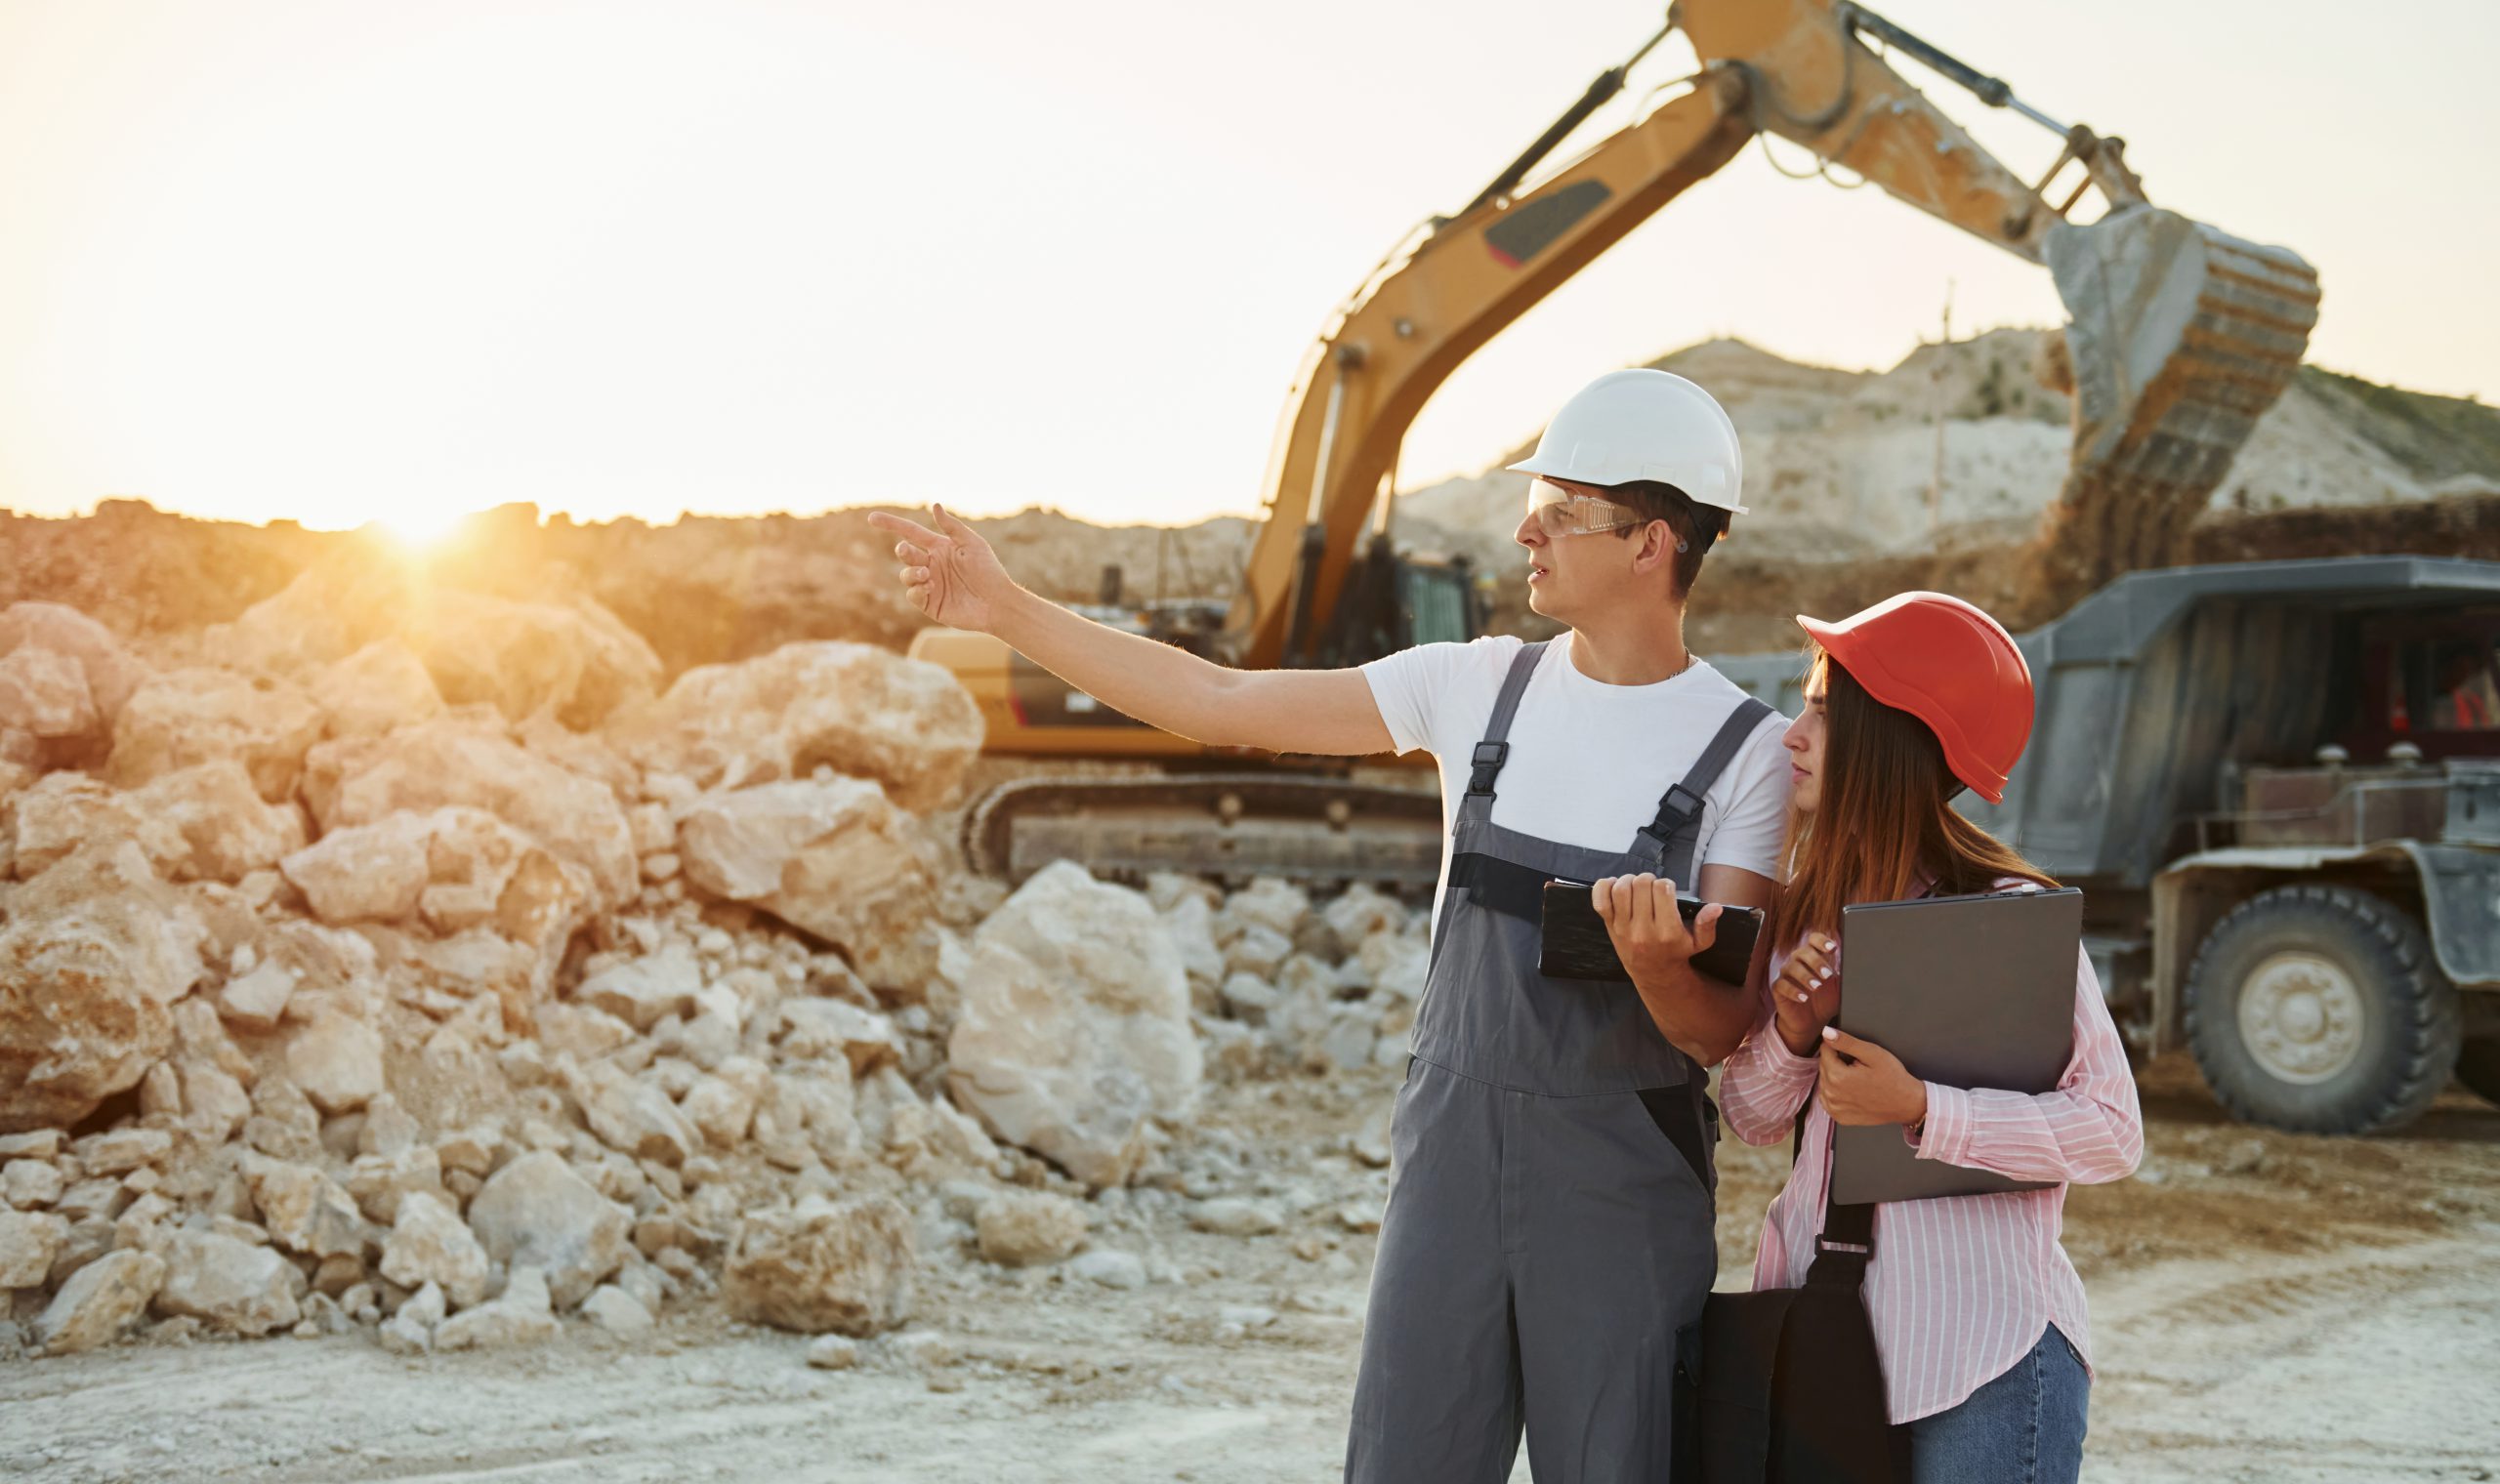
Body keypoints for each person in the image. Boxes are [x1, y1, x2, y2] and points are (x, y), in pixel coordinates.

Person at [870, 368, 1793, 1482]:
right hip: (1449, 1159)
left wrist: (1656, 968)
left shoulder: (1747, 753)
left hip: (1620, 1188)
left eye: (1557, 506)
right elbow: (1219, 703)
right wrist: (1008, 609)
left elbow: (1718, 1031)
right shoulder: (1475, 686)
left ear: (1651, 542)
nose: (1524, 528)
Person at [1717, 592, 2145, 1484]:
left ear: (1891, 742)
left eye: (1824, 714)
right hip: (1827, 1342)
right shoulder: (1802, 918)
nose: (1792, 735)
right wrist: (1792, 1033)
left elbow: (2111, 1129)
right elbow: (1751, 1119)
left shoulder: (2009, 923)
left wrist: (1920, 1109)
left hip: (1986, 1359)